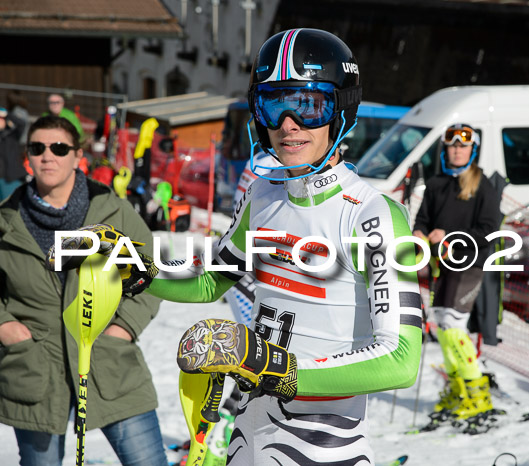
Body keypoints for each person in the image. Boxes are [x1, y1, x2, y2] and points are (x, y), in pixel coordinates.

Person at [68, 28, 421, 465]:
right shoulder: (264, 195)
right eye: (274, 104)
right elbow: (211, 281)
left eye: (309, 106)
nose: (288, 125)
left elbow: (401, 360)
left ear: (340, 109)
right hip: (247, 441)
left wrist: (276, 369)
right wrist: (137, 266)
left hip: (324, 449)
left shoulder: (374, 215)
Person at [0, 115, 168, 466]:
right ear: (26, 157)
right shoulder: (5, 221)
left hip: (110, 366)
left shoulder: (114, 212)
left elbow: (149, 273)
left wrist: (124, 328)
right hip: (34, 370)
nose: (48, 156)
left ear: (78, 156)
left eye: (59, 148)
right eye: (38, 148)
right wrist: (7, 328)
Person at [412, 124, 502, 428]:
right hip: (443, 264)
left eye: (462, 146)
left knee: (452, 324)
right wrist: (420, 233)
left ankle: (478, 395)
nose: (456, 151)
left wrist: (450, 235)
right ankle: (458, 389)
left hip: (470, 263)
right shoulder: (437, 183)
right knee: (442, 322)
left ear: (472, 150)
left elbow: (489, 229)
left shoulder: (482, 185)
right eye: (451, 146)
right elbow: (423, 218)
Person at [0, 107, 26, 200]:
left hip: (10, 179)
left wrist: (7, 114)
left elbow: (22, 124)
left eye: (1, 118)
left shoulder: (12, 136)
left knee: (10, 208)